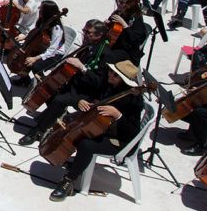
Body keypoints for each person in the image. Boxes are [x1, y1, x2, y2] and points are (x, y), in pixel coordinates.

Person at [46, 60, 146, 202]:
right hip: (104, 128)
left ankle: (68, 181)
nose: (110, 75)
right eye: (111, 71)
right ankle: (75, 162)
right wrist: (82, 101)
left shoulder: (134, 101)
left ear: (124, 81)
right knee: (71, 122)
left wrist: (118, 115)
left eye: (115, 75)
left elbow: (131, 132)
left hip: (121, 140)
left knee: (86, 144)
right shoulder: (110, 86)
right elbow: (96, 99)